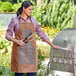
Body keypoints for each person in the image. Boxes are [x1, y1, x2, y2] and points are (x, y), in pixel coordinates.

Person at [5, 1, 60, 76]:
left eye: (32, 9)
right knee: (19, 74)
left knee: (32, 74)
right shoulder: (15, 21)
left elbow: (42, 34)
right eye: (29, 9)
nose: (31, 11)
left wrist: (52, 45)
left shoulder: (33, 21)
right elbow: (8, 35)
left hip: (31, 52)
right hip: (19, 51)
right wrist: (17, 41)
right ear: (24, 9)